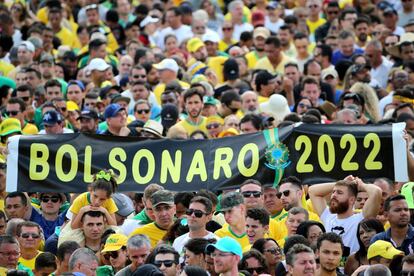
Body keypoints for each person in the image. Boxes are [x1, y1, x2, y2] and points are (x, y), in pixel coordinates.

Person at [309, 176, 382, 254]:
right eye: (333, 192)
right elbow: (312, 191)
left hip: (353, 265)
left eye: (339, 193)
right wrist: (340, 183)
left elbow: (376, 192)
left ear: (352, 200)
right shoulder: (328, 216)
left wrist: (361, 185)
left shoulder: (361, 219)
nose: (334, 195)